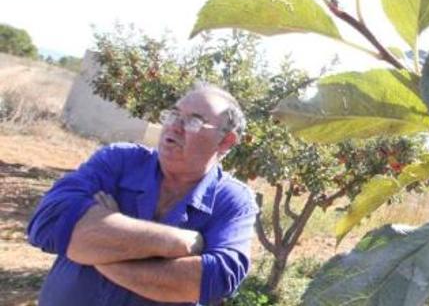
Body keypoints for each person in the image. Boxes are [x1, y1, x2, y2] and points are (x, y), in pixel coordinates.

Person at [27, 83, 259, 305]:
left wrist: (99, 249)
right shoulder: (119, 161)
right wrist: (177, 242)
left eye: (195, 121)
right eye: (174, 115)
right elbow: (49, 222)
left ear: (225, 141)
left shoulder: (233, 201)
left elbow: (215, 280)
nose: (175, 126)